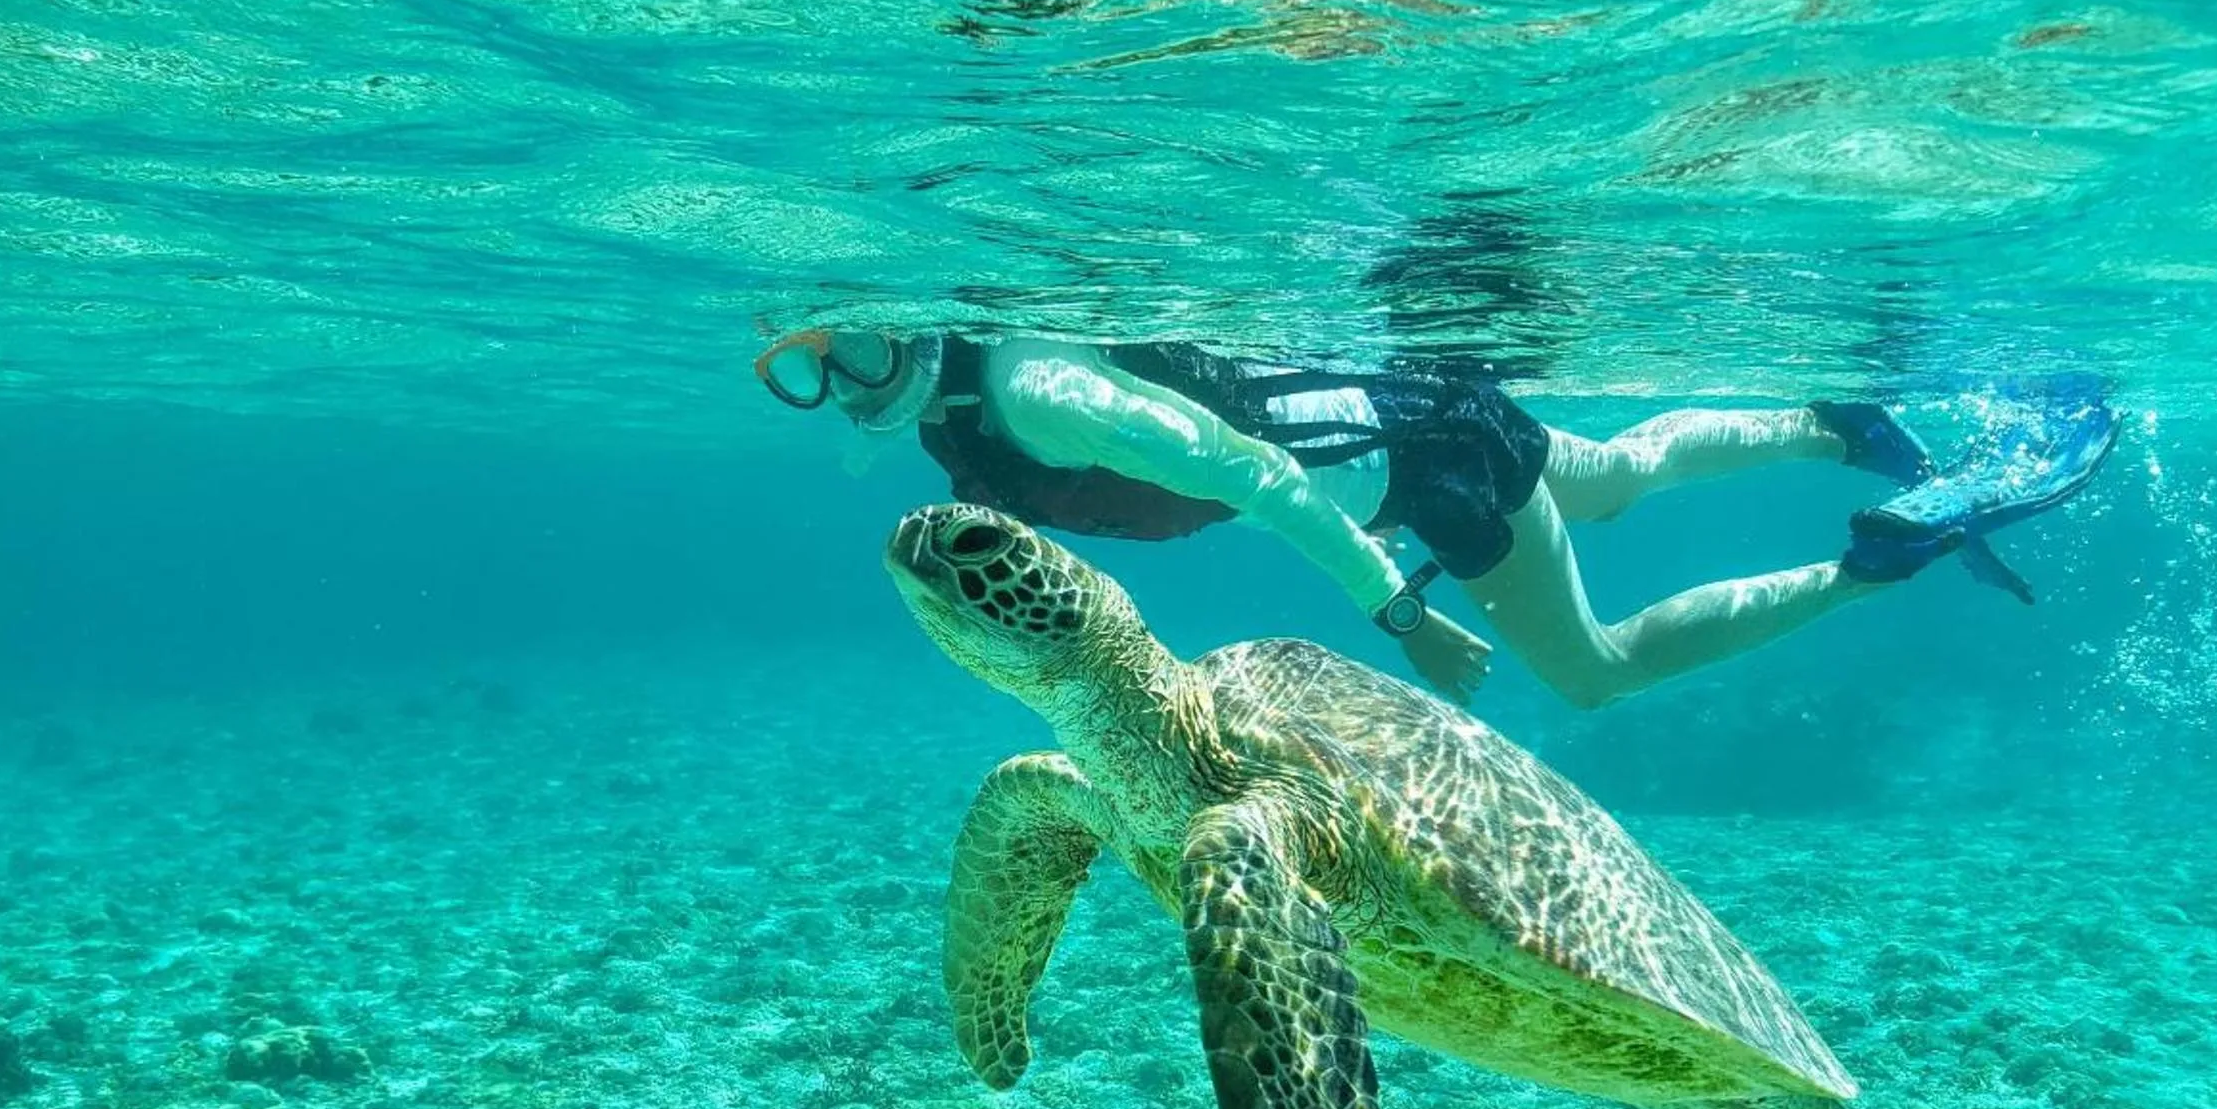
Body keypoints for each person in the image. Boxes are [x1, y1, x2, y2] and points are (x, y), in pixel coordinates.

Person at [756, 328, 2110, 709]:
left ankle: (1882, 558)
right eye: (806, 373)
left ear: (911, 321)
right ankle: (1843, 424)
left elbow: (1255, 475)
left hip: (1417, 477)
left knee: (1593, 673)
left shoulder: (1039, 391)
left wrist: (1395, 606)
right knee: (1617, 471)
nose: (842, 392)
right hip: (1421, 412)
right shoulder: (969, 412)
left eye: (855, 354)